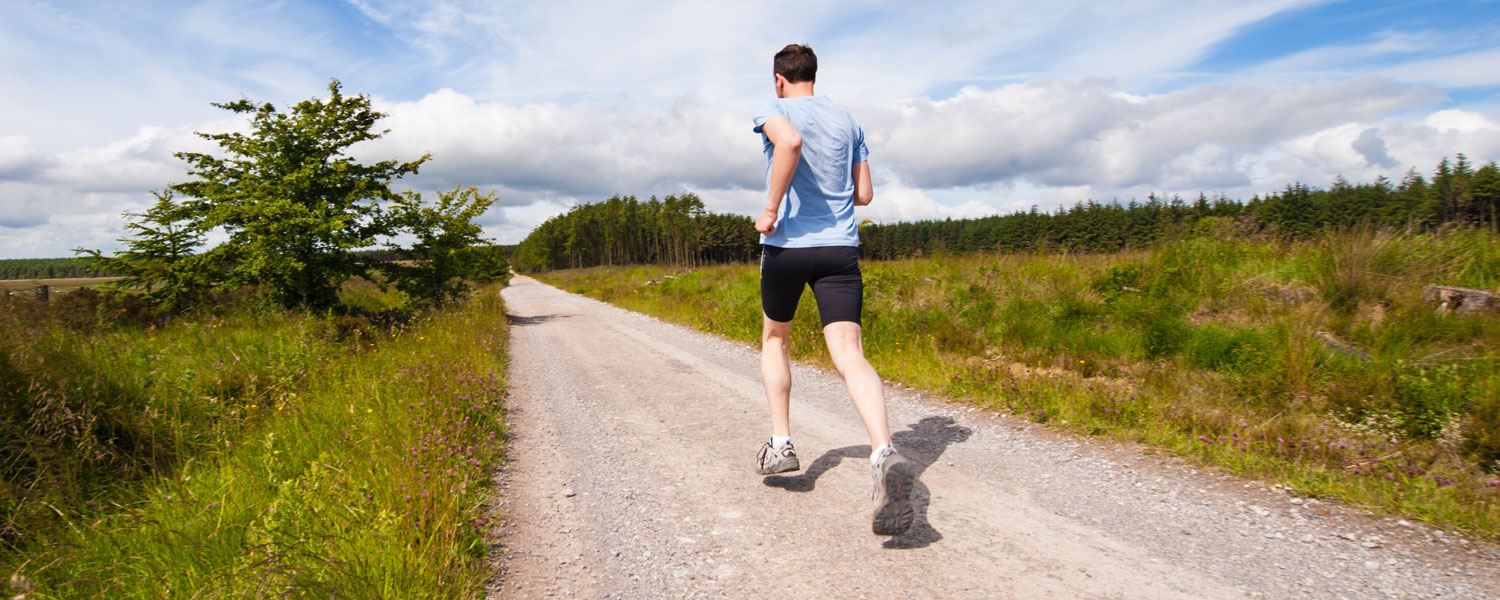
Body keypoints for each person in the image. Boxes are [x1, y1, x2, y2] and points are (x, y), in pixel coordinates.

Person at [751, 43, 918, 536]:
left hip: (787, 247)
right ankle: (883, 450)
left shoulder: (773, 109)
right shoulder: (848, 120)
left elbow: (789, 143)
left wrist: (770, 209)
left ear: (779, 79)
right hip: (840, 250)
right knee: (849, 353)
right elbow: (864, 193)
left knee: (775, 339)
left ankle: (781, 444)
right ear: (814, 75)